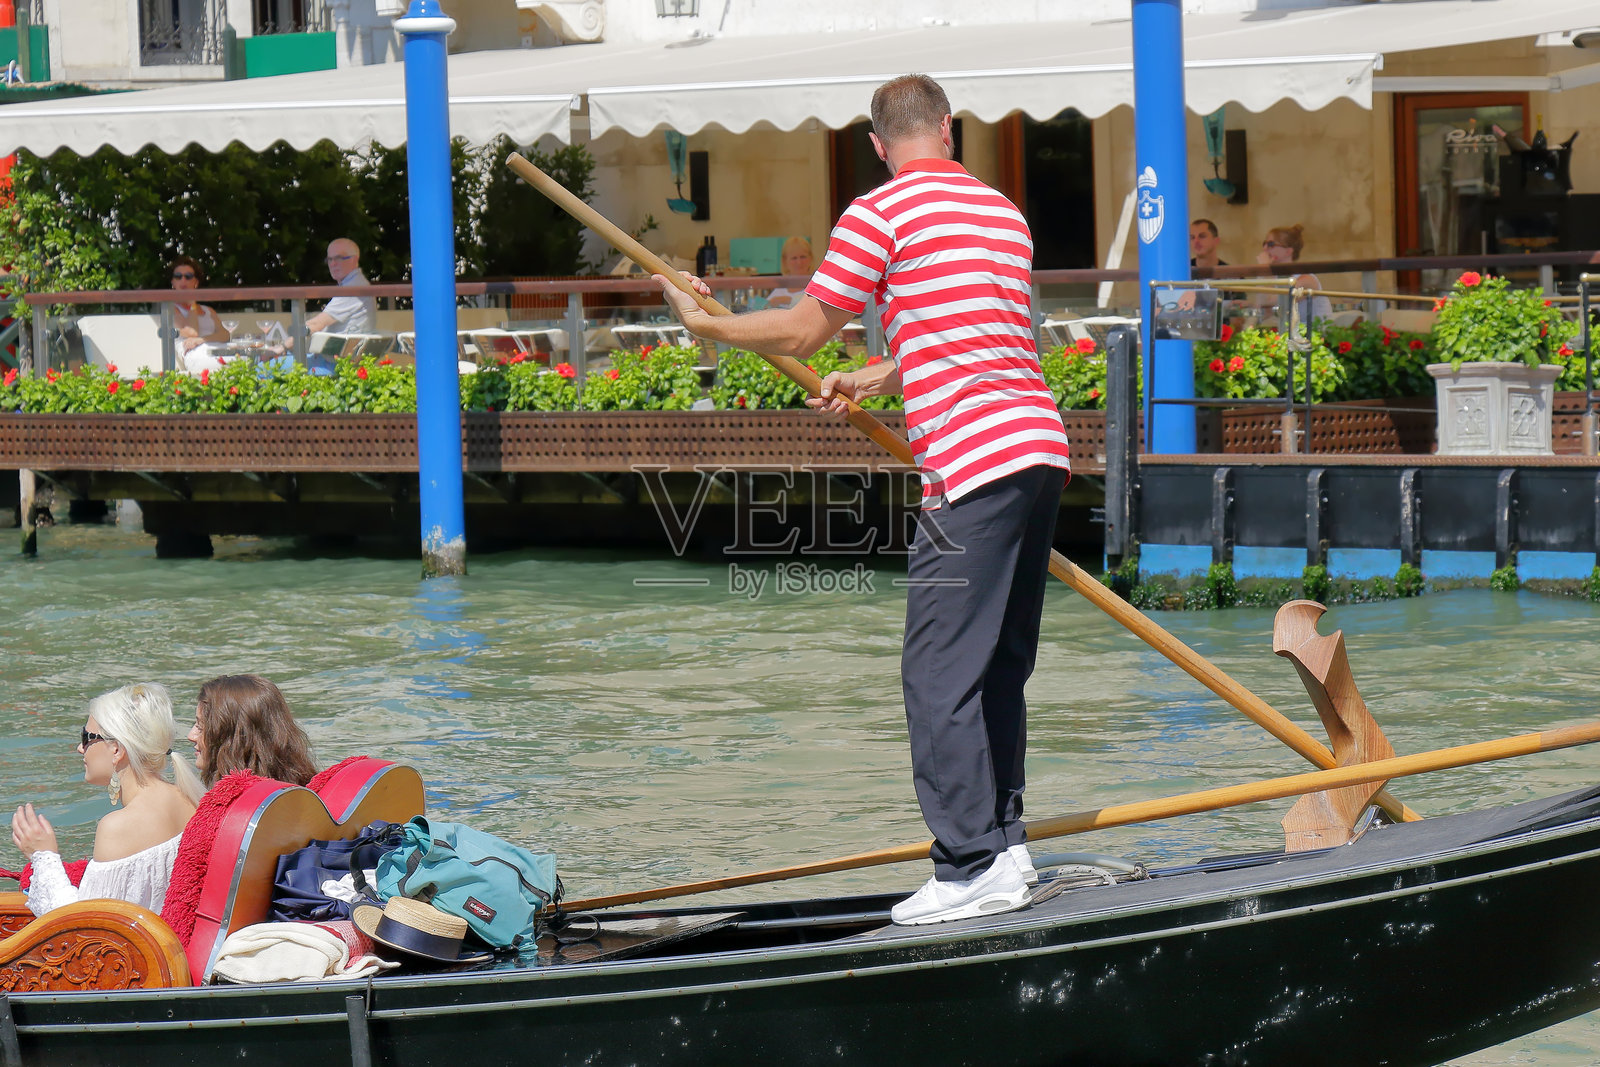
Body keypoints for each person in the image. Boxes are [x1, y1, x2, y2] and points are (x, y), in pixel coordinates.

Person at [655, 74, 1071, 926]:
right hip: (1041, 450)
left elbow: (807, 326)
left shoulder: (880, 213)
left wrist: (712, 326)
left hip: (972, 464)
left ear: (877, 145)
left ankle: (968, 866)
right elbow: (976, 329)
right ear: (949, 130)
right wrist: (879, 374)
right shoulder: (1001, 212)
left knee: (937, 675)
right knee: (998, 666)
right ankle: (1005, 840)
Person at [11, 683, 204, 916]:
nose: (80, 748)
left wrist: (43, 855)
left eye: (87, 737)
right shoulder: (187, 798)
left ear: (116, 750)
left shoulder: (118, 826)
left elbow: (85, 924)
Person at [189, 674, 318, 788]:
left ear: (235, 740)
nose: (190, 735)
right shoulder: (305, 792)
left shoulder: (233, 809)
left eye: (200, 727)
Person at [300, 238, 377, 339]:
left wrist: (282, 347)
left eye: (339, 258)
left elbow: (316, 324)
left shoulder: (353, 287)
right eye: (329, 259)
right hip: (340, 351)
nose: (332, 264)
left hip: (341, 354)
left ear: (354, 259)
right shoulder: (352, 283)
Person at [1256, 223, 1332, 325]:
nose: (1265, 248)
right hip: (1291, 334)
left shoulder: (1306, 280)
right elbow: (1266, 307)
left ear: (1288, 251)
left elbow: (1270, 301)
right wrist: (1250, 305)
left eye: (1271, 244)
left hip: (1315, 336)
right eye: (1264, 243)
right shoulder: (1275, 278)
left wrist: (1264, 269)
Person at [170, 256, 231, 374]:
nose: (183, 280)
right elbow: (192, 332)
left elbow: (225, 334)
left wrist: (201, 340)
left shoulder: (208, 310)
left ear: (195, 282)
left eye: (188, 277)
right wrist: (192, 303)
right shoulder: (171, 310)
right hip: (197, 356)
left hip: (217, 351)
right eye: (178, 276)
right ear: (173, 282)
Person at [763, 236, 814, 309]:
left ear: (811, 258)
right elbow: (762, 311)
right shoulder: (779, 290)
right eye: (794, 258)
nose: (799, 262)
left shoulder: (816, 286)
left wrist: (788, 300)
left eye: (803, 257)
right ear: (785, 261)